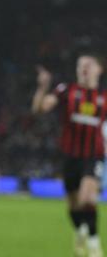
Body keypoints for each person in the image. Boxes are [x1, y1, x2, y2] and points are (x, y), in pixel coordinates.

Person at [33, 54, 107, 257]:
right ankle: (81, 230)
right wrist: (42, 87)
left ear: (99, 69)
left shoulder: (104, 97)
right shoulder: (66, 90)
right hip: (70, 156)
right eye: (80, 65)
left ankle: (94, 245)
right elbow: (40, 108)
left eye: (88, 64)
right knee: (73, 206)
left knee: (87, 199)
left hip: (94, 155)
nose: (83, 68)